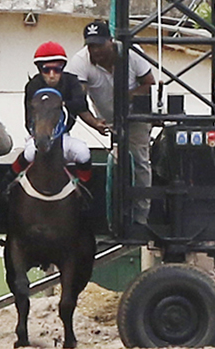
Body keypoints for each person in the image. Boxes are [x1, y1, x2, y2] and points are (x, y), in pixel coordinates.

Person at [65, 19, 155, 226]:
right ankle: (116, 213)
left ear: (110, 40)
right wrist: (94, 122)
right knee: (116, 162)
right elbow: (78, 101)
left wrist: (129, 95)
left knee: (139, 160)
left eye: (99, 44)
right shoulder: (79, 62)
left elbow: (150, 83)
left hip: (135, 115)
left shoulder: (132, 53)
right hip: (108, 118)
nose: (95, 50)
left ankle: (141, 217)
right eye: (90, 45)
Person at [16, 42, 102, 180]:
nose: (52, 75)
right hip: (39, 135)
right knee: (29, 153)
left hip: (63, 136)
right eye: (46, 70)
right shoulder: (33, 85)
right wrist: (39, 135)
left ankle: (83, 188)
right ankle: (6, 185)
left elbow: (81, 105)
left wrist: (62, 104)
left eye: (57, 69)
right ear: (39, 69)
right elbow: (28, 119)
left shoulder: (72, 81)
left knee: (83, 152)